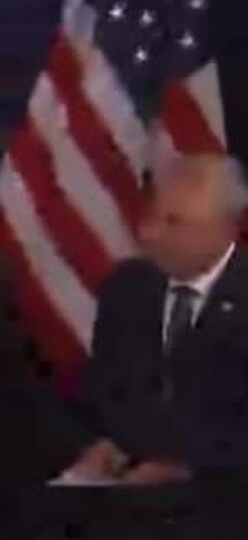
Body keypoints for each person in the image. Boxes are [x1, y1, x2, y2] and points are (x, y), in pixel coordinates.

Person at [60, 153, 248, 487]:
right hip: (123, 492)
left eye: (174, 222)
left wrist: (189, 469)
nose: (149, 233)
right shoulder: (127, 287)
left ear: (226, 230)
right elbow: (100, 394)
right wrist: (100, 446)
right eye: (151, 217)